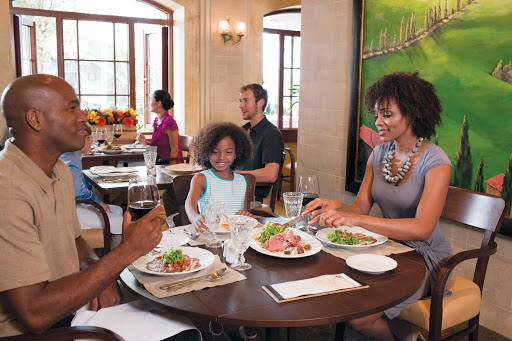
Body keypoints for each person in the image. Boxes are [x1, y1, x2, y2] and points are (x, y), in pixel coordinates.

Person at [0, 74, 200, 340]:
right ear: (35, 119)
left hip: (71, 309)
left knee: (188, 323)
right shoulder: (8, 190)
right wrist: (127, 251)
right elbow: (35, 315)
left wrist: (100, 278)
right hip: (43, 329)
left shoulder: (57, 169)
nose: (83, 117)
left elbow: (74, 239)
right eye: (72, 108)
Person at [303, 71, 452, 341]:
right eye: (376, 114)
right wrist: (333, 206)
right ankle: (406, 334)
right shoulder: (379, 153)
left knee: (359, 316)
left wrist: (356, 221)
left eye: (387, 114)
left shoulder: (436, 161)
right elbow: (360, 207)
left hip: (426, 258)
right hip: (389, 248)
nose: (378, 122)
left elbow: (422, 228)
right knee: (342, 294)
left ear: (413, 113)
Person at [60, 123, 124, 249]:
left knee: (118, 209)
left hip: (72, 206)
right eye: (89, 137)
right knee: (120, 220)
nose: (92, 141)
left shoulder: (69, 156)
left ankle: (107, 251)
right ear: (79, 139)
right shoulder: (71, 161)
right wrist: (98, 202)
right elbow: (78, 192)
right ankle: (115, 261)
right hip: (73, 210)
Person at [185, 121, 253, 233]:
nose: (221, 157)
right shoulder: (201, 179)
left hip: (233, 238)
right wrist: (194, 216)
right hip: (209, 237)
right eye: (215, 152)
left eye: (228, 152)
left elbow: (244, 214)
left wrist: (245, 214)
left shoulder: (242, 181)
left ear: (237, 154)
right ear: (206, 152)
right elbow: (190, 201)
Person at [235, 84, 284, 204]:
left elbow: (270, 175)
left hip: (250, 199)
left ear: (260, 103)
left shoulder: (272, 134)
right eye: (241, 101)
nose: (241, 105)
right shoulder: (242, 131)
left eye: (246, 101)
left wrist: (234, 175)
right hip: (233, 191)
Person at [137, 89, 183, 162]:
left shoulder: (169, 122)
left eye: (151, 100)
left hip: (170, 165)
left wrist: (169, 171)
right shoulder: (157, 121)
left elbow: (174, 150)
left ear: (158, 103)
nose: (149, 103)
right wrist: (145, 142)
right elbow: (157, 148)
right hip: (159, 162)